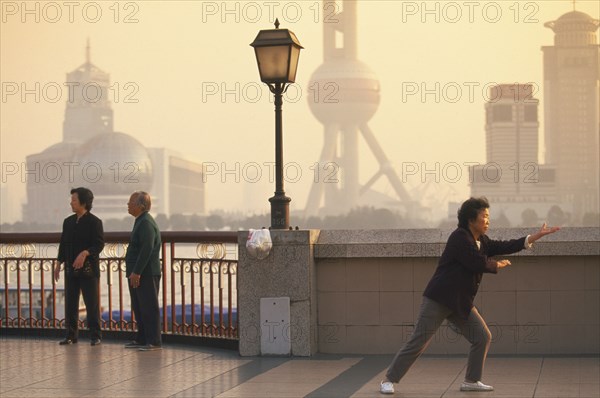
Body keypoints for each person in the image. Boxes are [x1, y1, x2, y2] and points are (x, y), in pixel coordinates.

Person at [380, 197, 560, 394]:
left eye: (488, 216)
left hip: (460, 302)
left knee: (482, 336)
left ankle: (471, 380)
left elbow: (504, 246)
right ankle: (389, 380)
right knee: (419, 340)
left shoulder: (482, 240)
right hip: (439, 299)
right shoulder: (459, 237)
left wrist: (534, 237)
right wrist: (496, 265)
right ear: (470, 220)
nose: (488, 220)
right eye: (484, 216)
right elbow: (475, 262)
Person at [55, 187, 105, 346]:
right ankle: (71, 335)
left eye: (74, 200)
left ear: (84, 202)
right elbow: (63, 244)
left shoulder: (94, 222)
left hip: (89, 271)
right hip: (71, 270)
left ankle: (95, 336)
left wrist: (85, 253)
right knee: (70, 303)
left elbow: (99, 244)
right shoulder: (68, 222)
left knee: (92, 304)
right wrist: (58, 263)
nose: (71, 202)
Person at [125, 191, 163, 351]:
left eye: (130, 202)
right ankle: (142, 338)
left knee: (148, 306)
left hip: (146, 273)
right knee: (139, 306)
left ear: (140, 206)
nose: (128, 205)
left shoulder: (146, 223)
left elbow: (146, 249)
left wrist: (137, 271)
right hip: (138, 273)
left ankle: (153, 341)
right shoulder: (139, 221)